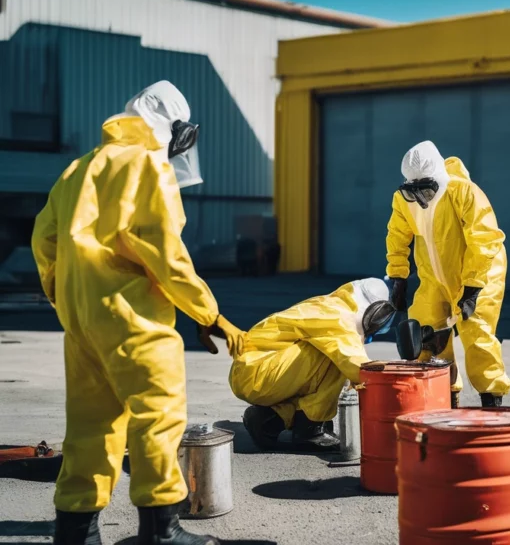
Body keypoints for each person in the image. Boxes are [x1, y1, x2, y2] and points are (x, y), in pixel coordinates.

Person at [32, 81, 243, 545]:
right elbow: (165, 254)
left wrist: (65, 297)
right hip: (134, 317)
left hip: (82, 323)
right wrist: (208, 313)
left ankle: (76, 531)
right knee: (157, 416)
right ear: (174, 130)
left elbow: (43, 239)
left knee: (91, 426)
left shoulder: (79, 168)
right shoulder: (147, 164)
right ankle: (161, 531)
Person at [386, 141, 510, 407]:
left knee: (476, 331)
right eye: (413, 192)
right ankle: (444, 395)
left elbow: (484, 239)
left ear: (439, 180)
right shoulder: (403, 199)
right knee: (427, 331)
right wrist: (397, 276)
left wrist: (473, 287)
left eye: (426, 190)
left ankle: (492, 398)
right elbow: (397, 236)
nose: (420, 198)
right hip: (433, 275)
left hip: (480, 270)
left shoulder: (464, 192)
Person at [230, 278, 395, 450]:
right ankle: (310, 430)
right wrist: (397, 385)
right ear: (374, 311)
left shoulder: (330, 306)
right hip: (258, 373)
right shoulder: (339, 318)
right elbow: (358, 367)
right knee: (336, 358)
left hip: (254, 370)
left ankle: (269, 420)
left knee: (325, 366)